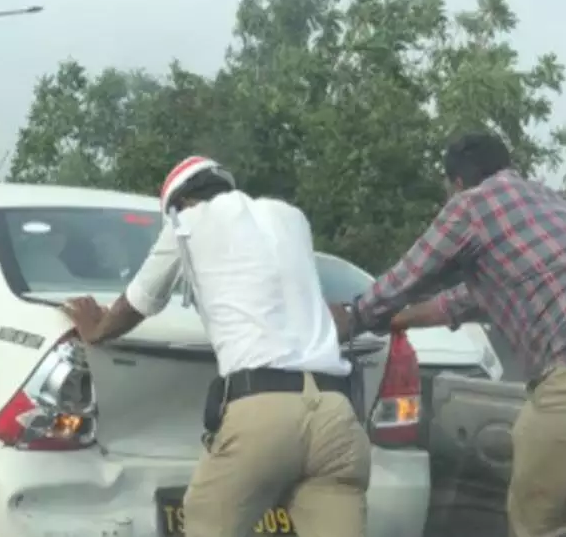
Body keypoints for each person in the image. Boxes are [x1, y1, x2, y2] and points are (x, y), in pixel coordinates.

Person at [340, 131, 566, 537]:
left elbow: (409, 274)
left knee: (541, 523)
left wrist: (354, 315)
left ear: (457, 183)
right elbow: (461, 301)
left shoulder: (473, 205)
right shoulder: (550, 203)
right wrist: (396, 321)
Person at [61, 156, 371, 537]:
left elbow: (139, 301)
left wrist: (98, 329)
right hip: (336, 416)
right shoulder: (292, 219)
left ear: (180, 203)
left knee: (205, 520)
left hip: (263, 412)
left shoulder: (185, 224)